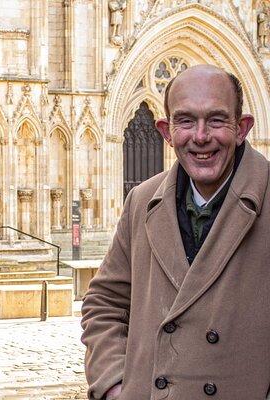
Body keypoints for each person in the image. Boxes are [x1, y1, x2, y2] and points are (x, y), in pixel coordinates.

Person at [81, 64, 270, 399]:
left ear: (242, 128)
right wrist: (113, 384)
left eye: (216, 120)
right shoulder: (141, 201)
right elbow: (104, 302)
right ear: (166, 132)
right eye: (185, 121)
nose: (200, 137)